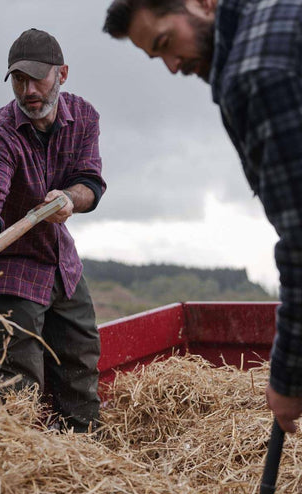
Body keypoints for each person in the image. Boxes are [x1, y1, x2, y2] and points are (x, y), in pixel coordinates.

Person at [103, 0, 302, 433]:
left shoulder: (254, 76)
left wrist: (287, 378)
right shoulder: (280, 12)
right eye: (159, 58)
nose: (173, 66)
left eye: (166, 43)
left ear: (201, 3)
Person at [0, 28, 106, 433]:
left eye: (38, 77)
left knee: (81, 366)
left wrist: (69, 199)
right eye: (19, 80)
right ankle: (17, 477)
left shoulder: (85, 117)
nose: (28, 90)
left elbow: (91, 183)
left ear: (63, 73)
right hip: (13, 273)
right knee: (15, 391)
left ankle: (85, 460)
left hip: (63, 266)